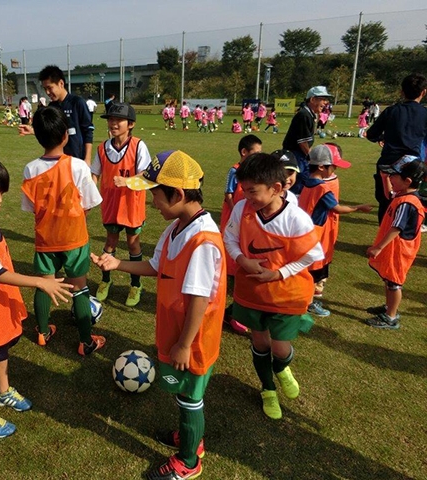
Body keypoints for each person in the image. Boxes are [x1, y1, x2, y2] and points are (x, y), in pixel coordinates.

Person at [92, 150, 225, 480]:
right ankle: (189, 438)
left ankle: (189, 462)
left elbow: (198, 300)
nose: (153, 204)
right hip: (178, 330)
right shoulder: (178, 226)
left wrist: (183, 344)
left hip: (192, 338)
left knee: (190, 397)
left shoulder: (203, 240)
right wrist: (117, 263)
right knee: (184, 395)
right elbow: (156, 266)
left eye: (156, 196)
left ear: (178, 194)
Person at [0, 154, 73, 438]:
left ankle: (3, 391)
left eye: (1, 193)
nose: (0, 199)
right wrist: (40, 283)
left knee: (1, 348)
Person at [223, 153, 324, 420]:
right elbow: (229, 238)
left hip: (286, 296)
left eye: (252, 191)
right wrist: (242, 259)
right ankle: (267, 389)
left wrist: (279, 274)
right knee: (259, 342)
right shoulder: (242, 209)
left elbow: (313, 254)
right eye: (244, 190)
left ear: (276, 188)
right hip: (252, 293)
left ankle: (281, 367)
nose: (247, 197)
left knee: (279, 348)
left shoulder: (296, 218)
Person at [21, 106, 104, 355]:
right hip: (74, 238)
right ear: (66, 137)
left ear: (37, 136)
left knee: (45, 284)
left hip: (46, 239)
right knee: (79, 288)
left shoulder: (30, 168)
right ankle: (85, 341)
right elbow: (89, 203)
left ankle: (43, 332)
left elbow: (31, 207)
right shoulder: (78, 166)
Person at [298, 144, 372, 317]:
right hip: (318, 234)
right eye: (334, 166)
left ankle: (305, 299)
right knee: (315, 272)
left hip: (304, 231)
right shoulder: (323, 188)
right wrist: (358, 207)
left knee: (306, 268)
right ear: (322, 166)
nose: (335, 169)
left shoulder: (305, 180)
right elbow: (337, 208)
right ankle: (308, 303)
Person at [91, 103, 151, 307]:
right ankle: (105, 280)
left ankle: (135, 285)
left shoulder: (138, 145)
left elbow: (146, 174)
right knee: (110, 243)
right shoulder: (102, 148)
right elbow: (94, 174)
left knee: (133, 243)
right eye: (110, 119)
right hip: (110, 205)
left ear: (131, 124)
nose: (113, 123)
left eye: (119, 120)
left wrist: (127, 181)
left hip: (131, 204)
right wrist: (89, 193)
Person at [366, 157, 426, 329]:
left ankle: (391, 316)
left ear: (407, 181)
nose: (391, 179)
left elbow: (396, 228)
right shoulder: (403, 195)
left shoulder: (407, 203)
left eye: (394, 176)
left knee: (394, 283)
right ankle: (389, 307)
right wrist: (385, 178)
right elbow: (389, 194)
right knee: (388, 279)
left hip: (399, 251)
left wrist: (378, 247)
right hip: (393, 248)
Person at [367, 73, 427, 224]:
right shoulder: (425, 113)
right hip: (412, 166)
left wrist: (381, 138)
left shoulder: (391, 111)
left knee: (385, 203)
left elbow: (371, 133)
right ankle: (401, 239)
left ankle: (383, 241)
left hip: (388, 164)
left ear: (402, 91)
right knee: (408, 202)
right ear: (423, 92)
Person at [220, 135, 262, 335]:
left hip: (246, 220)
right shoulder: (234, 170)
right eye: (256, 153)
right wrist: (237, 211)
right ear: (244, 152)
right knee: (232, 248)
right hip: (235, 218)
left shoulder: (255, 173)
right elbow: (228, 194)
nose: (259, 157)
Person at [20, 65, 94, 165]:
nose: (47, 92)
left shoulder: (77, 103)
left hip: (77, 160)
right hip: (57, 161)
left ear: (61, 83)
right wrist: (33, 131)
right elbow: (51, 131)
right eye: (45, 89)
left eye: (50, 88)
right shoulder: (51, 107)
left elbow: (88, 131)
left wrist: (87, 159)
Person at [282, 86, 333, 195]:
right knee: (298, 184)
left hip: (299, 155)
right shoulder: (304, 115)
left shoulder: (309, 114)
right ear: (312, 99)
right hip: (296, 155)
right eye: (323, 99)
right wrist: (311, 157)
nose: (325, 103)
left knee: (301, 183)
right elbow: (302, 142)